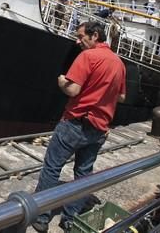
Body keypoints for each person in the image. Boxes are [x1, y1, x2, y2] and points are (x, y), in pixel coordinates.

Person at [32, 21, 127, 232]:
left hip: (75, 123)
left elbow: (73, 90)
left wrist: (61, 81)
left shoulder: (88, 56)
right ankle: (70, 219)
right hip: (99, 128)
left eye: (80, 36)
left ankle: (41, 217)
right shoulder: (118, 63)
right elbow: (121, 96)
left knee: (52, 167)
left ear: (94, 36)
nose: (77, 41)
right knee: (84, 174)